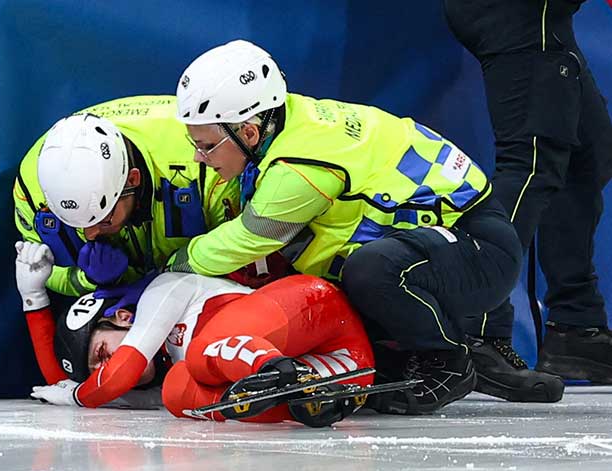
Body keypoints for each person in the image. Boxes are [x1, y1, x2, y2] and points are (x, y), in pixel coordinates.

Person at [164, 39, 524, 415]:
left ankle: (448, 361)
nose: (197, 157)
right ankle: (432, 356)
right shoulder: (285, 121)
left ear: (249, 133)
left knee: (370, 270)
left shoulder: (300, 165)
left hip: (480, 248)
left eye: (206, 146)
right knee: (336, 291)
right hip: (444, 247)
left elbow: (250, 238)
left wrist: (176, 263)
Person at [14, 240, 376, 427]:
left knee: (201, 355)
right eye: (98, 371)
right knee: (176, 393)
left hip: (318, 311)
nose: (106, 369)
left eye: (102, 354)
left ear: (123, 317)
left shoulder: (163, 291)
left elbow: (114, 377)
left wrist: (76, 396)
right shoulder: (158, 377)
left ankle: (279, 374)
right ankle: (305, 400)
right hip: (349, 374)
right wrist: (33, 297)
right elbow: (60, 381)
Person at [444, 0, 612, 393]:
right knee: (531, 162)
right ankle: (478, 331)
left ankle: (576, 328)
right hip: (518, 10)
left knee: (586, 154)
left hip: (545, 16)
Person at [13, 96, 282, 316]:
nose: (91, 235)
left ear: (133, 180)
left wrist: (162, 283)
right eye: (76, 224)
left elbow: (243, 255)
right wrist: (88, 279)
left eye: (103, 219)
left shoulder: (208, 161)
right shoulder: (31, 191)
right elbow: (41, 270)